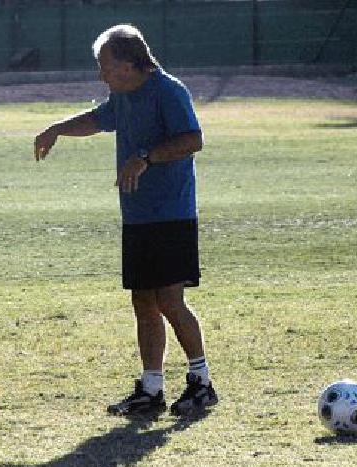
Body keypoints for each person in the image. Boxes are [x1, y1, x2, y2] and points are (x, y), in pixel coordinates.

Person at [33, 24, 218, 417]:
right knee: (143, 301)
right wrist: (57, 130)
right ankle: (151, 390)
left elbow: (192, 140)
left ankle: (201, 382)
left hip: (172, 214)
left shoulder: (168, 91)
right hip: (137, 216)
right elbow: (97, 119)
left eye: (107, 67)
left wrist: (146, 157)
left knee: (169, 300)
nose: (102, 75)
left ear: (133, 64)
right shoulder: (122, 95)